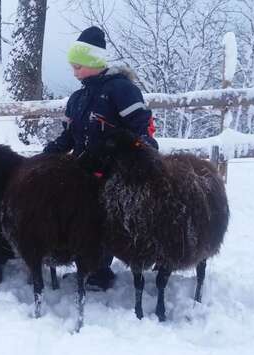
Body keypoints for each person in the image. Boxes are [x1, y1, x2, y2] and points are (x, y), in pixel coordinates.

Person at [44, 26, 158, 291]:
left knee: (105, 218)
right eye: (73, 67)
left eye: (78, 66)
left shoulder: (121, 89)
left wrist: (144, 150)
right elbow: (71, 135)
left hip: (116, 170)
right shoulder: (78, 98)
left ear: (94, 62)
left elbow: (140, 126)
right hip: (84, 167)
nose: (75, 72)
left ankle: (100, 271)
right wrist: (51, 152)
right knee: (82, 217)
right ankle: (89, 264)